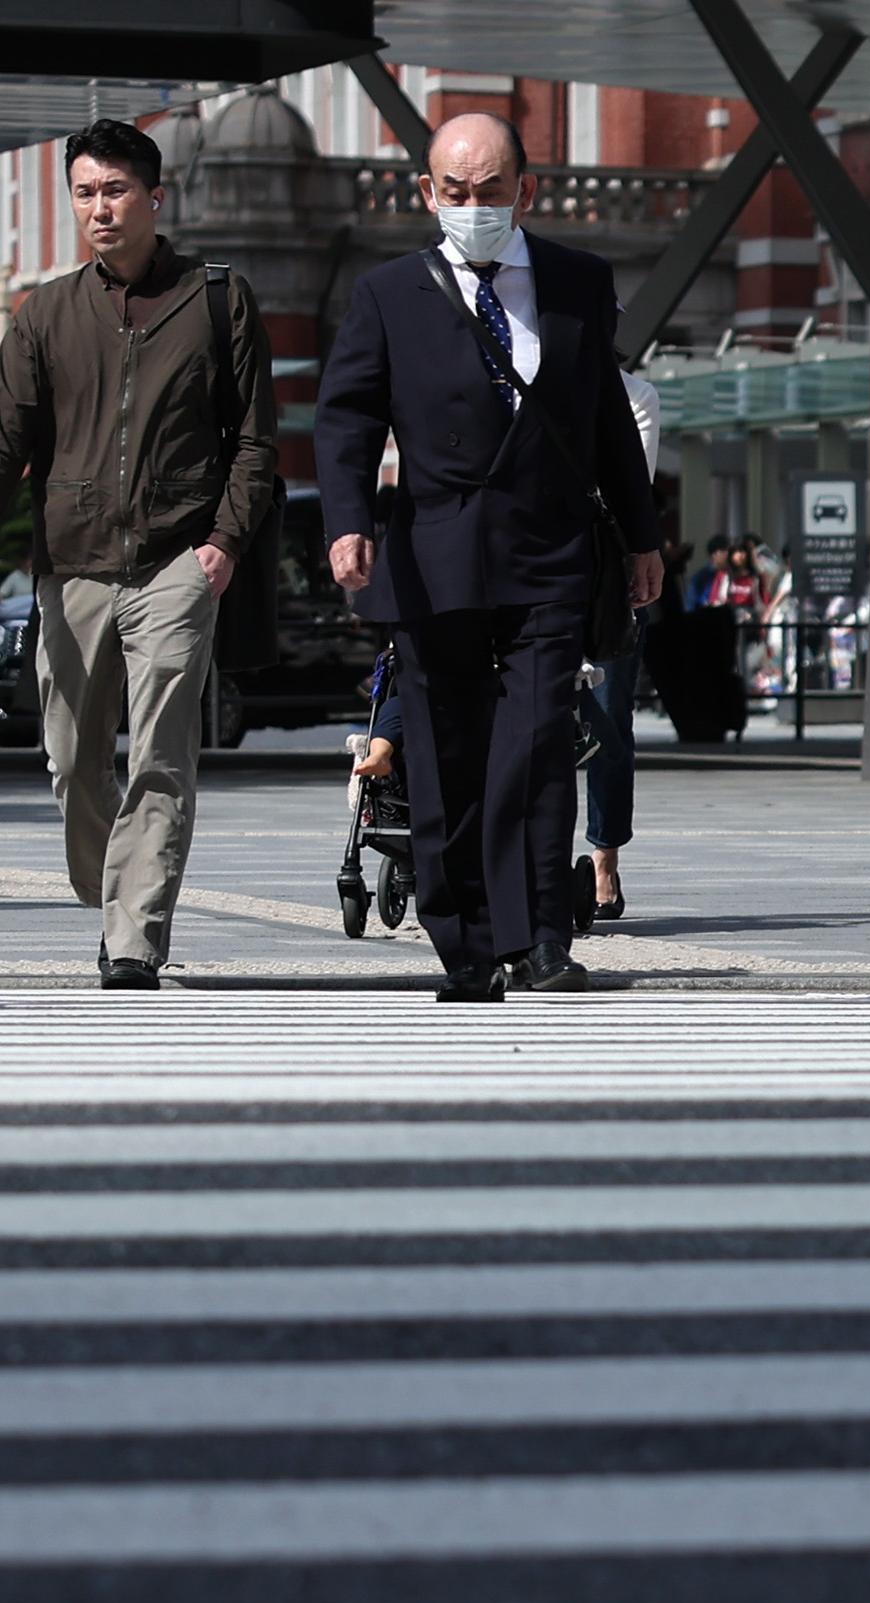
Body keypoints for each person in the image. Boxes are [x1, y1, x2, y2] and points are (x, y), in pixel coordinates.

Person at [315, 111, 664, 999]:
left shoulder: (579, 282)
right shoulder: (389, 293)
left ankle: (541, 937)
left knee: (540, 746)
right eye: (455, 192)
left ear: (526, 190)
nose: (472, 206)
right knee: (447, 752)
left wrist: (642, 537)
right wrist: (348, 519)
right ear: (428, 192)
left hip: (550, 553)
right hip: (436, 558)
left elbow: (607, 421)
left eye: (490, 190)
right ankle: (467, 940)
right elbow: (348, 415)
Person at [0, 117, 280, 988]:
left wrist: (223, 546)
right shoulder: (44, 312)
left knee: (161, 750)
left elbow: (256, 442)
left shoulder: (219, 298)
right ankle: (108, 886)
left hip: (178, 560)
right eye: (85, 192)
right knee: (72, 756)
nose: (98, 208)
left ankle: (134, 938)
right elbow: (6, 440)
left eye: (114, 190)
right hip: (72, 560)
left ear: (155, 199)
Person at [572, 358, 660, 924]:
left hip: (607, 575)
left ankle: (605, 854)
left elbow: (631, 480)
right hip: (526, 567)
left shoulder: (635, 394)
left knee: (607, 722)